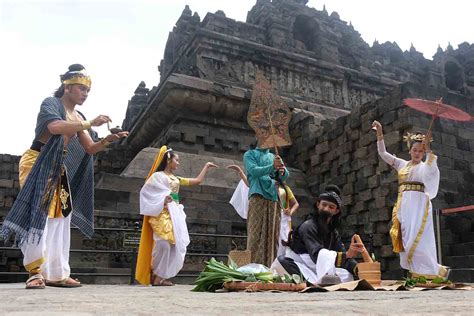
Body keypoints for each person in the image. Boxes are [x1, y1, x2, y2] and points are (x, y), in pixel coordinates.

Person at [0, 64, 128, 289]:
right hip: (38, 162)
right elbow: (55, 126)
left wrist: (109, 139)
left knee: (62, 217)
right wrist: (90, 123)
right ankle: (35, 272)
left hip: (59, 167)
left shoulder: (78, 116)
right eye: (81, 89)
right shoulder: (52, 104)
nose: (85, 94)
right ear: (67, 87)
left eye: (88, 90)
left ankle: (57, 272)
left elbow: (89, 148)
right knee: (40, 213)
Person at [372, 120, 446, 278]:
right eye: (415, 150)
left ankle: (429, 271)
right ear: (410, 150)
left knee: (418, 239)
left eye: (421, 150)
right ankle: (415, 272)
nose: (418, 153)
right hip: (404, 206)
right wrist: (380, 132)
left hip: (419, 205)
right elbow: (383, 154)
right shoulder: (402, 165)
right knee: (406, 239)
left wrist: (429, 148)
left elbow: (431, 170)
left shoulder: (424, 166)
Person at [135, 146, 217, 286]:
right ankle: (155, 273)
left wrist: (206, 167)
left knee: (174, 245)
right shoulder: (157, 176)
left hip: (175, 214)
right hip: (161, 213)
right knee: (163, 243)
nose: (178, 163)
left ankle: (161, 276)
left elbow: (197, 181)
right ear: (168, 160)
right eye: (176, 160)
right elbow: (147, 192)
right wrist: (163, 198)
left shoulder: (177, 179)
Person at [272, 185, 365, 285]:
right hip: (301, 265)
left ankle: (322, 281)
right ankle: (317, 282)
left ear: (336, 211)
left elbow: (343, 258)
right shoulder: (307, 226)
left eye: (331, 207)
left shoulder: (333, 233)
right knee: (282, 261)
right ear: (318, 205)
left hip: (319, 268)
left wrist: (359, 269)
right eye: (324, 205)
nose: (326, 209)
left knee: (346, 273)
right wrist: (347, 254)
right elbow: (316, 255)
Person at [228, 165, 299, 257]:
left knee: (283, 242)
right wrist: (241, 172)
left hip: (283, 219)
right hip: (269, 215)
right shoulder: (265, 186)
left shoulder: (285, 188)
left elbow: (296, 204)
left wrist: (290, 211)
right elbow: (250, 184)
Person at [243, 147, 289, 267]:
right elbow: (254, 171)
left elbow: (283, 176)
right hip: (257, 194)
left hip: (273, 196)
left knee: (273, 235)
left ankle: (269, 268)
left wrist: (282, 170)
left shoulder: (275, 157)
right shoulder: (250, 154)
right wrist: (273, 166)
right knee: (255, 235)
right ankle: (252, 268)